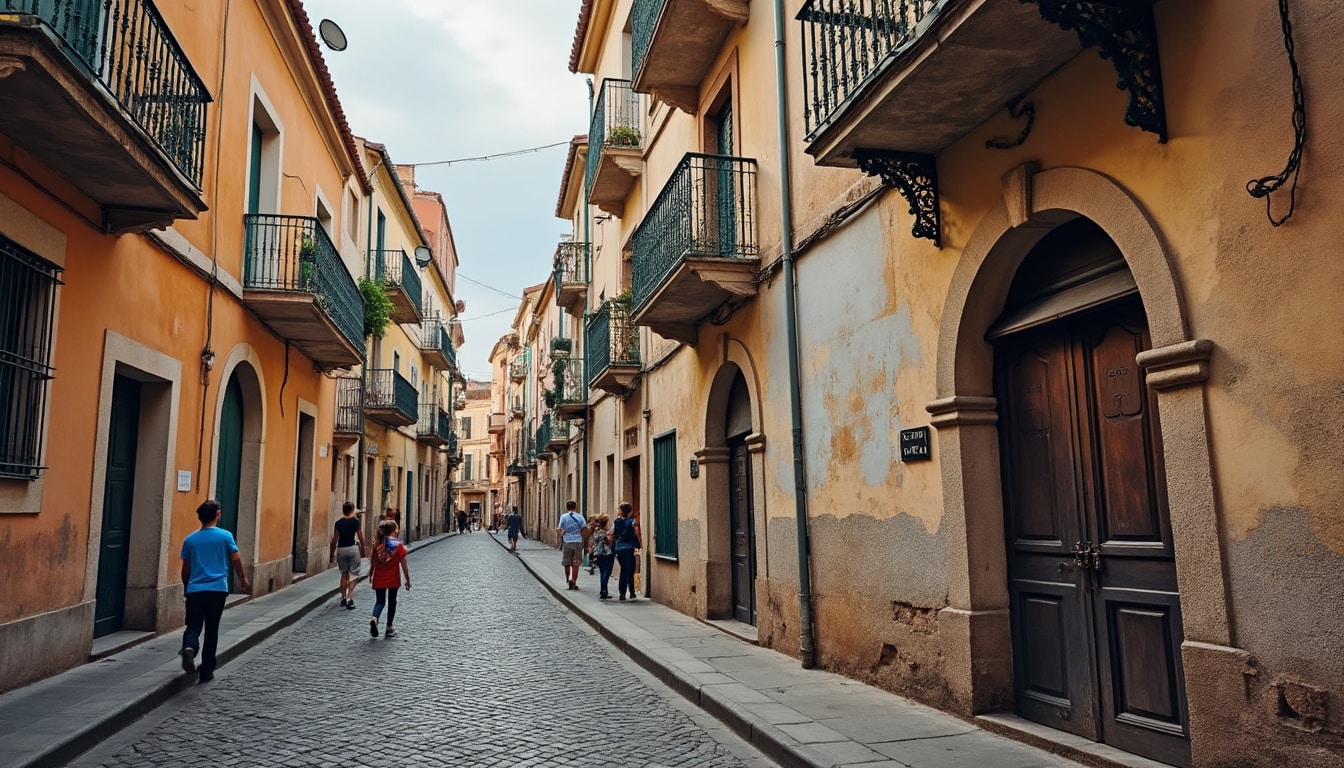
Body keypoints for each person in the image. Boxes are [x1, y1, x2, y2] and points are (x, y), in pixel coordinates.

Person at [179, 499, 251, 683]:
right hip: (217, 589)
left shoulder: (190, 539)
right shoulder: (225, 536)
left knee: (193, 625)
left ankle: (189, 647)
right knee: (212, 629)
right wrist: (242, 578)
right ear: (217, 514)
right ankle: (206, 670)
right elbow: (235, 558)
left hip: (196, 589)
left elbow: (185, 569)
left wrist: (187, 587)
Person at [369, 519, 411, 638]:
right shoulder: (398, 545)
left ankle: (374, 617)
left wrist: (370, 573)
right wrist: (408, 579)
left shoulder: (377, 544)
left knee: (380, 601)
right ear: (393, 532)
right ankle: (389, 627)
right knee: (392, 601)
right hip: (393, 578)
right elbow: (403, 564)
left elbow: (373, 561)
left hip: (379, 577)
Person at [328, 502, 365, 610]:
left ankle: (343, 598)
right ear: (352, 510)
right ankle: (350, 598)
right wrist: (363, 548)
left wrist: (331, 554)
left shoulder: (338, 523)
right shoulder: (355, 522)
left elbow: (334, 540)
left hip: (341, 549)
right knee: (353, 574)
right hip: (352, 549)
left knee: (344, 573)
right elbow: (360, 536)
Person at [613, 502, 641, 601]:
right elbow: (635, 532)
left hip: (619, 549)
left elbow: (615, 534)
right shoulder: (632, 522)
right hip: (629, 548)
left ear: (621, 511)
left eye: (619, 509)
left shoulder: (616, 521)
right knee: (629, 570)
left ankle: (622, 592)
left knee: (624, 570)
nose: (617, 510)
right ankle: (631, 592)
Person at [556, 500, 587, 590]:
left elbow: (559, 529)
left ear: (567, 507)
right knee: (575, 563)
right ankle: (573, 581)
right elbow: (584, 527)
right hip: (578, 541)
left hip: (567, 541)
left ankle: (567, 579)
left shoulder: (564, 517)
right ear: (575, 507)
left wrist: (561, 535)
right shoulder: (580, 517)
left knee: (566, 562)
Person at [589, 514, 615, 600]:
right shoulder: (605, 532)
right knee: (607, 573)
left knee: (602, 572)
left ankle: (603, 590)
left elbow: (593, 541)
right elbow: (609, 541)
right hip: (607, 553)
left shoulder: (596, 531)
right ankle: (604, 591)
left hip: (598, 553)